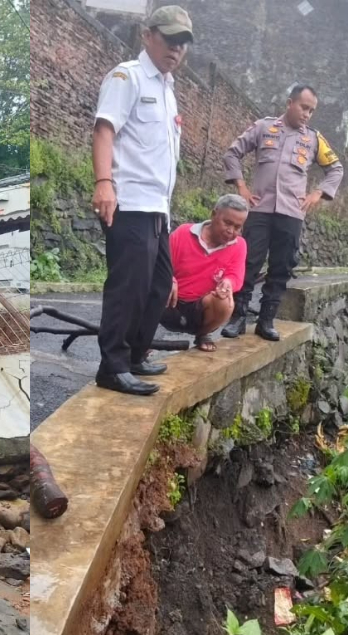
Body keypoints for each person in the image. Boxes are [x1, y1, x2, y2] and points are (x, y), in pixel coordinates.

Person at [90, 5, 193, 396]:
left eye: (183, 43)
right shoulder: (127, 77)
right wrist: (104, 182)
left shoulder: (167, 90)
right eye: (170, 39)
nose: (177, 49)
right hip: (128, 201)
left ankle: (134, 355)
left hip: (156, 207)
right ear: (146, 34)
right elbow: (104, 131)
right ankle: (111, 367)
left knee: (158, 283)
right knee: (128, 287)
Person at [221, 84, 344, 341]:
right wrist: (241, 187)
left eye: (311, 110)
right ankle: (238, 317)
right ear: (290, 103)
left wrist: (317, 193)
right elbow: (232, 154)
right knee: (249, 262)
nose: (307, 114)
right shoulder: (264, 128)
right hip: (259, 208)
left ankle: (266, 320)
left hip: (292, 213)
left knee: (281, 266)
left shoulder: (314, 139)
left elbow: (336, 168)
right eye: (304, 107)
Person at [161, 194, 249, 351]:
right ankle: (142, 337)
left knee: (225, 302)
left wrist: (227, 283)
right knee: (151, 281)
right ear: (214, 214)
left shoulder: (239, 245)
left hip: (200, 307)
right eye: (227, 223)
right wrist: (168, 277)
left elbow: (236, 276)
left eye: (237, 227)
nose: (231, 231)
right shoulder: (183, 233)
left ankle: (203, 333)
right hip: (169, 301)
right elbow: (162, 262)